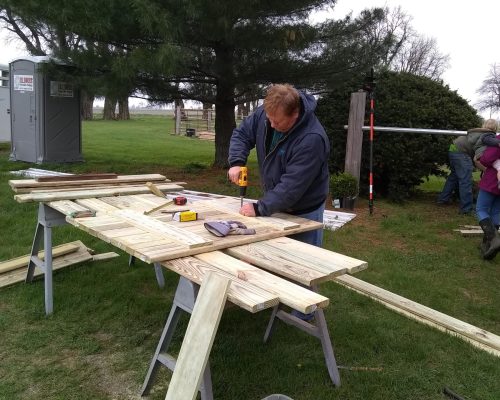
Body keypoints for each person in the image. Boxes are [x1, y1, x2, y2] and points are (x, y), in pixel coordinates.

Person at [227, 83, 330, 247]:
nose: (272, 125)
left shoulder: (312, 139)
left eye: (277, 122)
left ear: (295, 114)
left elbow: (292, 186)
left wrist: (260, 208)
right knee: (272, 260)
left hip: (304, 212)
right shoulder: (266, 113)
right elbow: (242, 134)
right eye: (270, 119)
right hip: (275, 203)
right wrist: (236, 162)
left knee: (303, 265)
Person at [437, 119, 500, 214]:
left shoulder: (478, 132)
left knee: (454, 177)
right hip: (461, 152)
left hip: (453, 147)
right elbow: (477, 159)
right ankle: (466, 209)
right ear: (495, 128)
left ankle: (443, 199)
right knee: (465, 179)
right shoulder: (488, 136)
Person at [476, 138, 500, 259]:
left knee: (481, 209)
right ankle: (488, 245)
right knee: (496, 211)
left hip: (492, 181)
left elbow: (486, 159)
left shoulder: (497, 140)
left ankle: (494, 239)